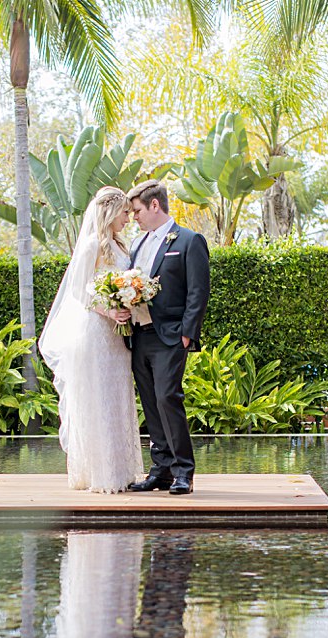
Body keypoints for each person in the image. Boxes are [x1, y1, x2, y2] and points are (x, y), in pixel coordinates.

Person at [37, 186, 143, 493]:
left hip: (117, 337)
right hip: (96, 332)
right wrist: (109, 311)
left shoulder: (121, 246)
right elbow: (78, 290)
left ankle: (121, 471)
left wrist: (128, 301)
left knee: (117, 397)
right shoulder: (92, 245)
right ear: (110, 212)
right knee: (98, 399)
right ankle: (100, 474)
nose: (128, 217)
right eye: (125, 212)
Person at [124, 179, 210, 495]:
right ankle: (159, 471)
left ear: (154, 205)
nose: (134, 217)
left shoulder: (189, 240)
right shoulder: (137, 245)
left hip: (171, 336)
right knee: (150, 402)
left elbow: (199, 291)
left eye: (137, 211)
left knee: (167, 398)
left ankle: (183, 472)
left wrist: (188, 334)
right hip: (139, 335)